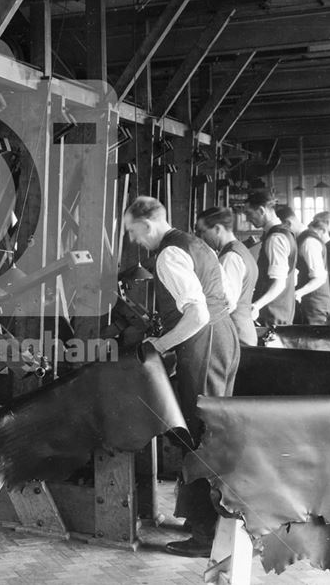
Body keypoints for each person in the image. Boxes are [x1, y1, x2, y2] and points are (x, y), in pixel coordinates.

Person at [124, 196, 240, 558]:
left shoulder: (169, 255)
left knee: (198, 432)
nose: (133, 240)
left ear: (146, 224)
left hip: (204, 341)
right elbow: (224, 301)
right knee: (212, 429)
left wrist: (159, 345)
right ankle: (203, 520)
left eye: (132, 231)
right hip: (225, 338)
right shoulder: (196, 243)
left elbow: (196, 315)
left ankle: (205, 534)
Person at [195, 206, 260, 347]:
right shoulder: (241, 250)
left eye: (202, 231)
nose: (200, 237)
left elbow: (226, 304)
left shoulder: (230, 257)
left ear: (218, 229)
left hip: (235, 335)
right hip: (242, 330)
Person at [244, 191, 297, 328]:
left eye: (249, 214)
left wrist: (256, 306)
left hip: (271, 315)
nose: (248, 219)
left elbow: (279, 283)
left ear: (261, 210)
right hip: (281, 311)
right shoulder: (285, 232)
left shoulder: (275, 238)